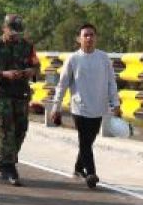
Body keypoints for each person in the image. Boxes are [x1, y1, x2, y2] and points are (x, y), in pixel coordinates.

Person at [50, 23, 121, 188]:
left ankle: (77, 168)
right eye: (85, 35)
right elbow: (62, 85)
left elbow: (111, 83)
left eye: (92, 35)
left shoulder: (104, 58)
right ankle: (91, 173)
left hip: (98, 107)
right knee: (84, 140)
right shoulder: (73, 59)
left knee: (89, 140)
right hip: (79, 107)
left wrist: (115, 103)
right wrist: (56, 107)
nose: (89, 38)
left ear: (96, 38)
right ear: (79, 39)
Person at [0, 13, 40, 185]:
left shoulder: (27, 46)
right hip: (3, 93)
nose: (15, 34)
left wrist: (30, 71)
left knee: (21, 129)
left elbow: (36, 64)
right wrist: (4, 74)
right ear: (4, 28)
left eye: (17, 32)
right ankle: (10, 168)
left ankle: (4, 160)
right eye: (11, 31)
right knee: (7, 130)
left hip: (21, 92)